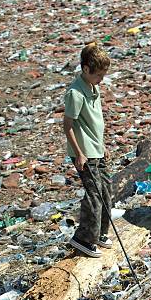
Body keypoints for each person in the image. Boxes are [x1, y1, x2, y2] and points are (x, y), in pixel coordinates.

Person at [63, 42, 113, 258]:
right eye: (98, 75)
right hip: (84, 153)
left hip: (97, 149)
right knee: (94, 196)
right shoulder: (75, 93)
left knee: (106, 192)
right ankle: (82, 239)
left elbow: (95, 122)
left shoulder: (95, 88)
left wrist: (103, 145)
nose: (101, 79)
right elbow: (68, 125)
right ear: (85, 69)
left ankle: (100, 233)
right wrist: (79, 153)